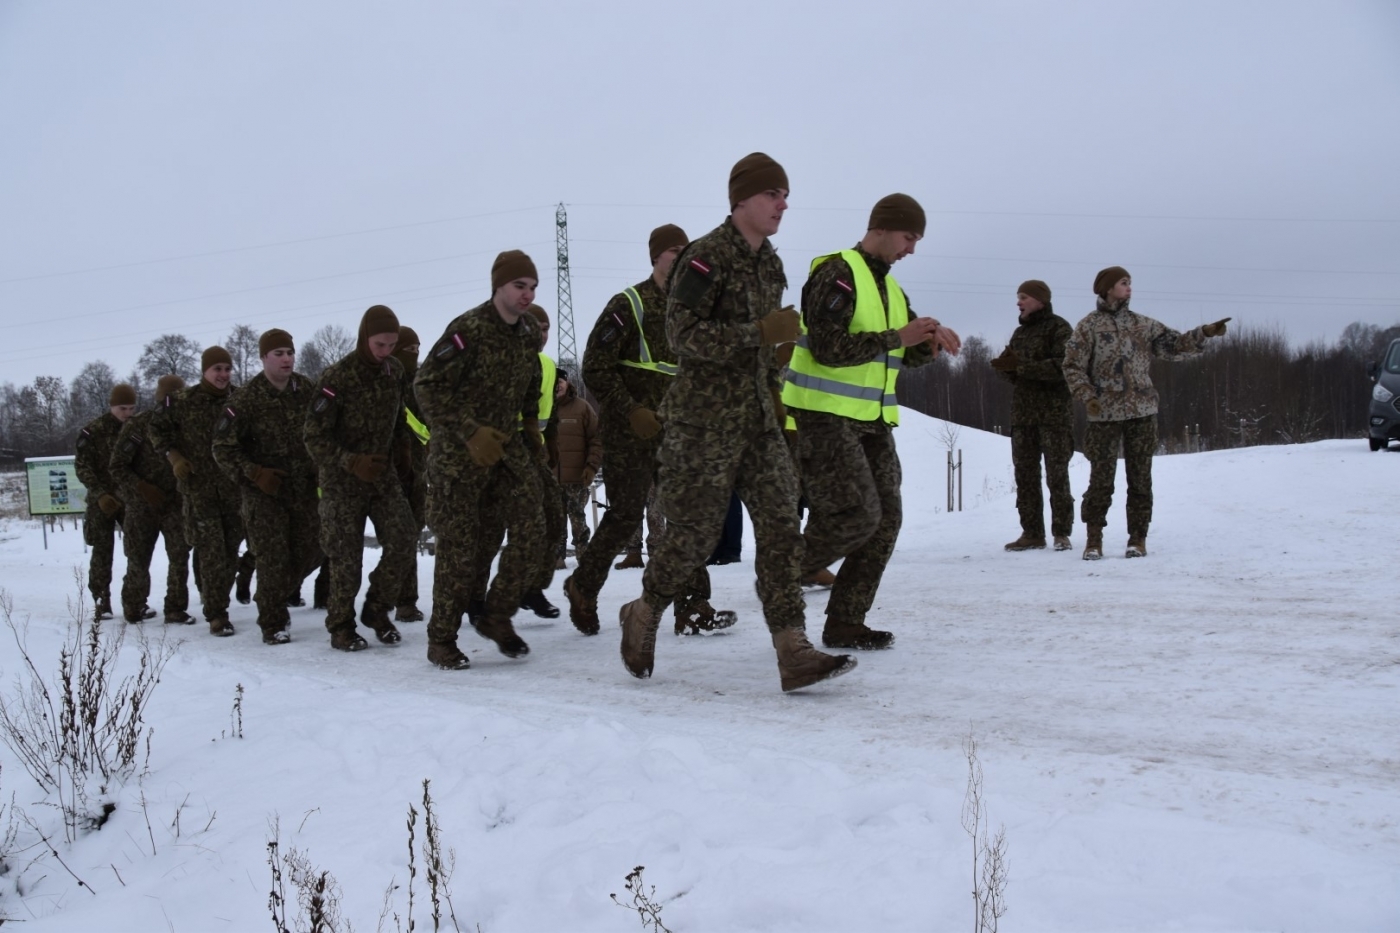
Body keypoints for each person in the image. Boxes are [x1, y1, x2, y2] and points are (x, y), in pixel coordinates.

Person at [618, 152, 856, 692]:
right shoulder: (704, 258)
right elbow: (681, 337)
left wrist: (774, 373)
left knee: (780, 530)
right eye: (774, 194)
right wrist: (758, 333)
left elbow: (767, 342)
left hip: (758, 422)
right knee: (692, 535)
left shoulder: (770, 262)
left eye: (785, 195)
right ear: (742, 199)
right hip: (703, 424)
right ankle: (646, 608)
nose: (783, 204)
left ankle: (792, 649)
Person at [783, 193, 957, 650]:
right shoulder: (838, 273)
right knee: (856, 515)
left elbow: (900, 352)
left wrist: (928, 341)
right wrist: (898, 336)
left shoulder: (893, 289)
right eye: (908, 237)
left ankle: (844, 622)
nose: (911, 249)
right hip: (823, 416)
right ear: (881, 227)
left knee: (885, 520)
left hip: (872, 420)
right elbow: (827, 346)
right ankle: (780, 569)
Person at [565, 224, 734, 638]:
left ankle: (693, 607)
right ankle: (583, 587)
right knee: (623, 516)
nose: (680, 258)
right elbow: (595, 368)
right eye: (672, 251)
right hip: (630, 432)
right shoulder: (629, 304)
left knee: (686, 517)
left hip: (677, 432)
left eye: (686, 251)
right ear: (655, 257)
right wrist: (631, 409)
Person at [413, 250, 546, 670]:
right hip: (459, 457)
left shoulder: (526, 334)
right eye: (519, 286)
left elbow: (530, 383)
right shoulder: (468, 329)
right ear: (498, 287)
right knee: (460, 550)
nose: (527, 295)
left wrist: (530, 428)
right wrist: (469, 430)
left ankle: (495, 615)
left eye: (532, 288)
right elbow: (427, 385)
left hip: (507, 451)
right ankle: (442, 640)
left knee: (532, 527)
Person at [1063, 267, 1229, 559]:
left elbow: (1174, 346)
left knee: (1140, 479)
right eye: (1123, 283)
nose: (1129, 288)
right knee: (1100, 480)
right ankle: (1093, 539)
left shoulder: (1142, 325)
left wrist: (1203, 334)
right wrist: (1087, 396)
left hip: (1142, 412)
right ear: (1107, 287)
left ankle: (1137, 538)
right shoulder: (1088, 326)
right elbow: (1072, 366)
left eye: (1130, 283)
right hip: (1103, 415)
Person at [303, 306, 416, 650]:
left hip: (383, 478)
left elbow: (397, 416)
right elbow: (314, 436)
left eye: (392, 345)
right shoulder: (335, 379)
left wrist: (403, 450)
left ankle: (377, 609)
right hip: (342, 484)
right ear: (365, 338)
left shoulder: (393, 371)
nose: (385, 352)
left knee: (404, 539)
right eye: (380, 344)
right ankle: (341, 626)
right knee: (345, 558)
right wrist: (351, 462)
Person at [212, 329, 321, 644]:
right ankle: (272, 621)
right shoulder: (244, 399)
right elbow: (222, 448)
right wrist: (254, 473)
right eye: (279, 354)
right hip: (263, 493)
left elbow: (323, 429)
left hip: (303, 490)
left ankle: (267, 595)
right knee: (273, 556)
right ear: (264, 358)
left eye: (290, 352)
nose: (286, 359)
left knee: (312, 549)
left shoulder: (307, 389)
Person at [149, 347, 246, 636]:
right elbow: (157, 431)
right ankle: (217, 614)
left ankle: (216, 599)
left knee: (229, 553)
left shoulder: (240, 399)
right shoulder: (182, 401)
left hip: (233, 490)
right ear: (204, 371)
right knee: (212, 551)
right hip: (199, 490)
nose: (223, 375)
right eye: (217, 369)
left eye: (227, 369)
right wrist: (174, 456)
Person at [990, 280, 1075, 552]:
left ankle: (1062, 533)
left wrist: (1022, 367)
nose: (1019, 302)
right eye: (1019, 297)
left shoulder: (1059, 328)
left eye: (1024, 297)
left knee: (1057, 476)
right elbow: (1012, 367)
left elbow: (1062, 367)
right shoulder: (1019, 333)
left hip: (1054, 416)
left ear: (1040, 300)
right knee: (1025, 477)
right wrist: (1004, 368)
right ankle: (1032, 533)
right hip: (1023, 417)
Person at [110, 375, 193, 625]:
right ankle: (134, 606)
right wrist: (142, 488)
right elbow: (117, 466)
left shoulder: (188, 426)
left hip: (175, 503)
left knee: (179, 556)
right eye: (169, 399)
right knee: (138, 558)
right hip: (141, 505)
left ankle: (176, 608)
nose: (173, 404)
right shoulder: (139, 426)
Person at [75, 383, 139, 620]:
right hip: (101, 500)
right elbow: (82, 466)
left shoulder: (137, 429)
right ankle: (102, 601)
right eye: (123, 408)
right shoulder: (93, 432)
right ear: (112, 406)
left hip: (129, 498)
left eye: (132, 408)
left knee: (136, 549)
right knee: (103, 551)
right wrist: (100, 493)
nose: (128, 413)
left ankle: (134, 599)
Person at [392, 324, 429, 623]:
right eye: (408, 350)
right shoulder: (382, 381)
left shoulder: (421, 384)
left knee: (409, 536)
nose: (414, 355)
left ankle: (406, 602)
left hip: (417, 473)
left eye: (417, 350)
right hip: (381, 474)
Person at [551, 371, 602, 567]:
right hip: (551, 477)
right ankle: (557, 557)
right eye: (554, 382)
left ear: (567, 383)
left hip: (577, 477)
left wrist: (591, 466)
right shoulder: (542, 408)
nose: (557, 386)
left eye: (561, 382)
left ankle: (583, 554)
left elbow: (597, 439)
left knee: (577, 518)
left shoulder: (582, 407)